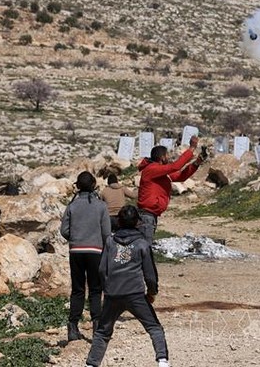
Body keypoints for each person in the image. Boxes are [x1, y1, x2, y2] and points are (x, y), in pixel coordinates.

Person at [85, 205, 169, 367]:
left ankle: (91, 364)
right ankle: (163, 361)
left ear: (119, 222)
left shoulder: (110, 241)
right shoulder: (142, 244)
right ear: (138, 222)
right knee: (154, 327)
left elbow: (102, 269)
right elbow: (150, 274)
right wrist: (152, 292)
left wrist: (107, 288)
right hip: (135, 294)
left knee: (102, 332)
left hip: (112, 295)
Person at [60, 171, 111, 341]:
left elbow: (64, 230)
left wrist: (75, 238)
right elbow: (106, 232)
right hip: (96, 251)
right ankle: (97, 326)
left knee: (78, 289)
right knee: (96, 289)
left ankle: (73, 327)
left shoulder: (72, 206)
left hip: (76, 251)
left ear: (78, 186)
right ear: (94, 185)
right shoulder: (101, 206)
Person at [137, 135, 205, 244]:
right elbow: (175, 167)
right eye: (167, 155)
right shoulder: (152, 169)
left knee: (146, 246)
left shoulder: (160, 172)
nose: (169, 158)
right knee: (145, 248)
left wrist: (196, 163)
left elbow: (180, 176)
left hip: (151, 215)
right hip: (147, 215)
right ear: (162, 157)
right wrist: (192, 148)